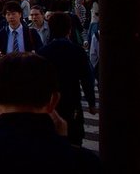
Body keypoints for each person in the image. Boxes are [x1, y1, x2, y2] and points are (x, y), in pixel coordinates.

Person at [36, 12, 97, 146]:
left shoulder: (43, 52)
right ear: (69, 30)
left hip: (50, 101)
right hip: (72, 98)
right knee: (74, 138)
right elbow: (87, 78)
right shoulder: (77, 51)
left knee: (51, 139)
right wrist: (91, 102)